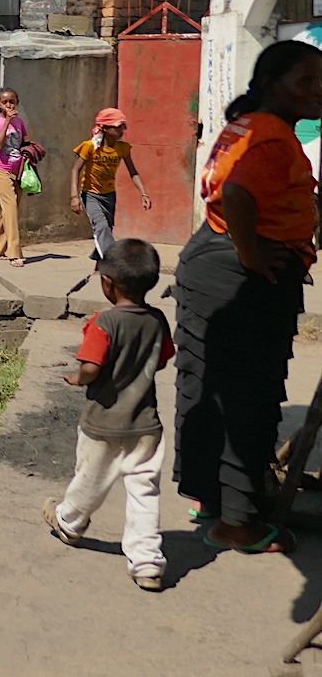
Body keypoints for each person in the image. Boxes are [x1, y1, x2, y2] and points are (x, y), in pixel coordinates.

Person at [173, 40, 322, 555]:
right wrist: (253, 254)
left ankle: (211, 497)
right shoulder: (271, 136)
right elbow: (236, 194)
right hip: (239, 281)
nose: (318, 90)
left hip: (210, 267)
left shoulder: (252, 124)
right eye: (306, 81)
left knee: (207, 389)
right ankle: (236, 523)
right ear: (271, 83)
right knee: (247, 396)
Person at [42, 238, 173, 592]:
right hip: (146, 426)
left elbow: (90, 367)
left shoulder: (103, 323)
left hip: (103, 424)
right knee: (144, 492)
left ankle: (68, 522)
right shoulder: (158, 320)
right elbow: (162, 358)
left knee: (90, 480)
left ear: (107, 283)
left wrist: (76, 377)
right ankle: (146, 562)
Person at [69, 108, 152, 261]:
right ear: (105, 128)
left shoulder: (122, 148)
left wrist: (143, 193)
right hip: (90, 194)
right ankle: (112, 260)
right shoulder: (90, 147)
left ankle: (98, 252)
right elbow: (76, 170)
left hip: (109, 195)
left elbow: (133, 172)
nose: (122, 130)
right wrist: (75, 197)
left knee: (108, 227)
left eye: (123, 126)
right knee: (101, 225)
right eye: (118, 126)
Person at [0, 88, 29, 267]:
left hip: (18, 170)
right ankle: (14, 253)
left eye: (12, 101)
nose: (9, 105)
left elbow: (24, 143)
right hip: (1, 169)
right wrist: (7, 122)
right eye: (5, 102)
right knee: (10, 208)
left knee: (11, 210)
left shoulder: (20, 122)